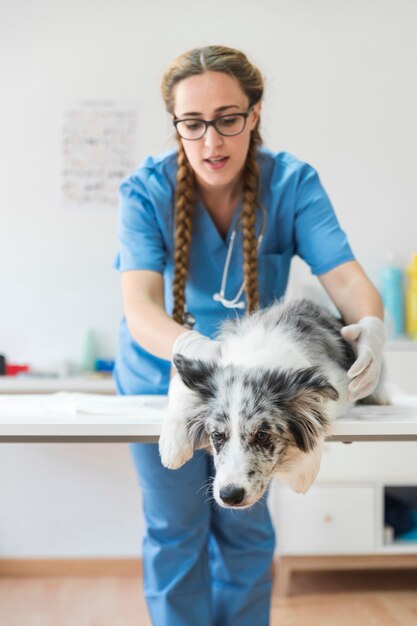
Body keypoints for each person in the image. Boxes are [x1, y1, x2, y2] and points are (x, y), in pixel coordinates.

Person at [113, 45, 385, 626]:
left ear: (254, 114)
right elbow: (139, 307)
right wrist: (191, 349)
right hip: (166, 378)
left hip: (260, 390)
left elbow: (347, 280)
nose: (212, 141)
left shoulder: (290, 183)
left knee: (247, 529)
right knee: (175, 530)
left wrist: (373, 328)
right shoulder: (146, 191)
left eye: (228, 118)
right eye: (193, 123)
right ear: (176, 125)